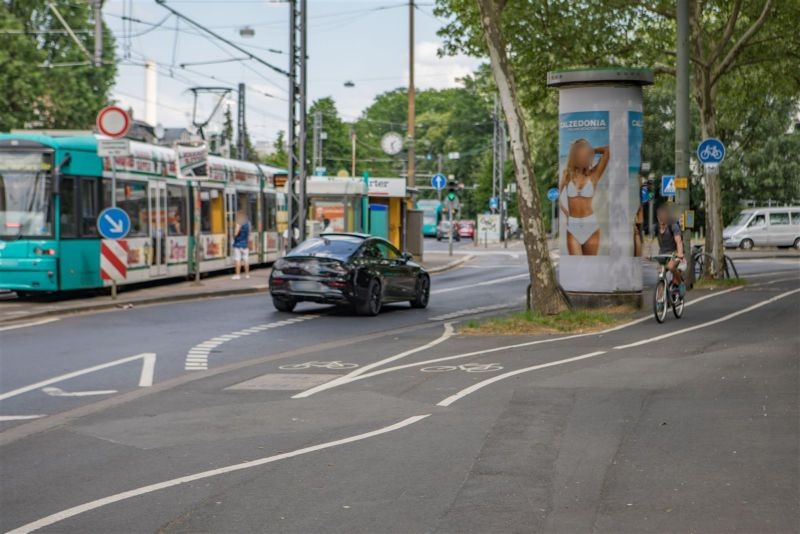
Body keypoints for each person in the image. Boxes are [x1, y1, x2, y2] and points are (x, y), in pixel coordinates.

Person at [558, 139, 610, 255]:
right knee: (577, 266)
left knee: (590, 266)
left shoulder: (594, 174)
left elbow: (608, 150)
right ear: (575, 156)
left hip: (591, 224)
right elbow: (556, 193)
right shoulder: (567, 174)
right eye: (581, 155)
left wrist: (592, 150)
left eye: (586, 155)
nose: (584, 158)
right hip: (573, 226)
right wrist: (564, 211)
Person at [655, 203, 686, 296]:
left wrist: (680, 253)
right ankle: (660, 299)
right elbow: (649, 242)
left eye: (663, 215)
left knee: (671, 267)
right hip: (663, 255)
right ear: (657, 217)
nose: (661, 218)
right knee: (660, 274)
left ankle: (680, 284)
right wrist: (647, 254)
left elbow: (678, 241)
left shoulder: (673, 226)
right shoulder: (656, 227)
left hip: (674, 253)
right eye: (660, 216)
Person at [232, 210, 250, 280]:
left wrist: (234, 236)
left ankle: (237, 275)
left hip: (238, 244)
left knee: (238, 259)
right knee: (246, 259)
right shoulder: (247, 223)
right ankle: (247, 274)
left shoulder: (239, 223)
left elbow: (236, 233)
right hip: (245, 244)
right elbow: (248, 233)